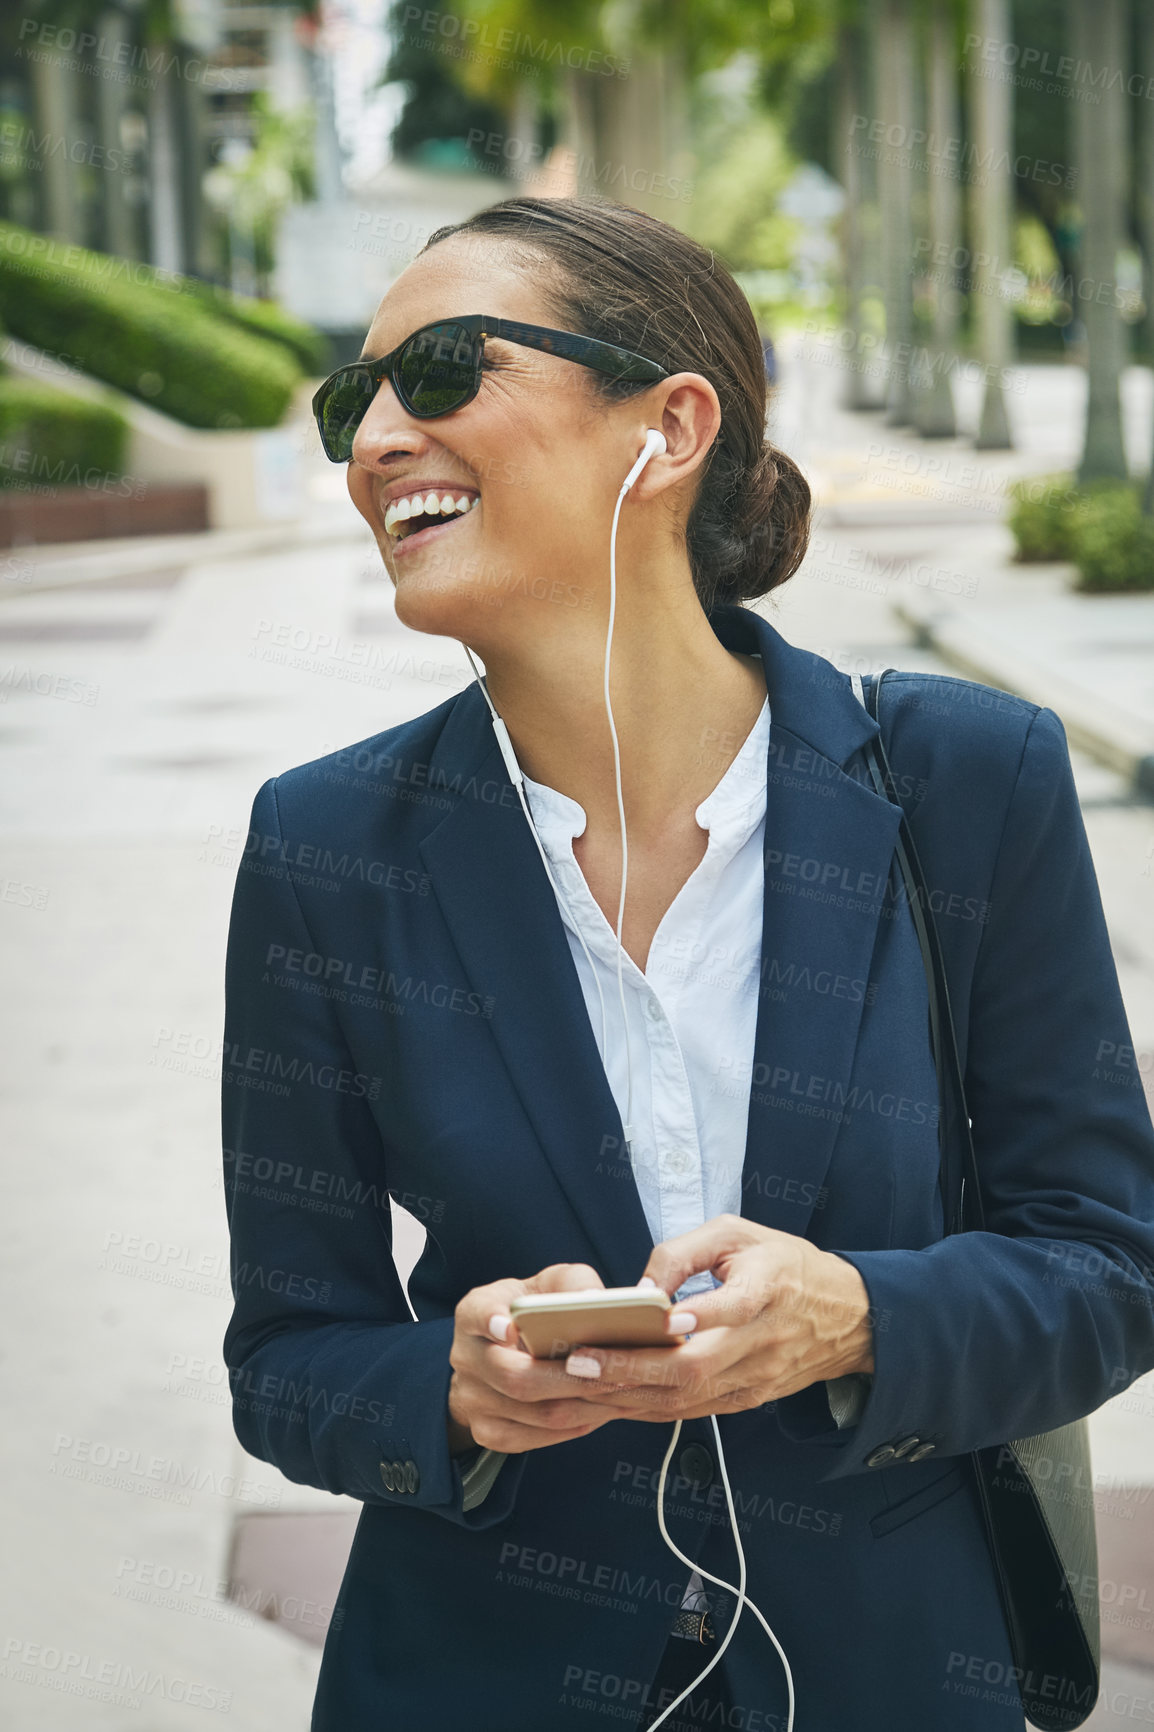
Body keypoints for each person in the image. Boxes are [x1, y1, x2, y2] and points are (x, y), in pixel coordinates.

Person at [220, 194, 1154, 1732]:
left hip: (893, 1676)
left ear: (667, 427)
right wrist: (446, 1393)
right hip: (476, 1680)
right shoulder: (326, 845)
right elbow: (288, 1353)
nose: (374, 437)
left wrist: (853, 1317)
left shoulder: (961, 782)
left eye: (444, 369)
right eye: (352, 397)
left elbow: (1106, 1268)